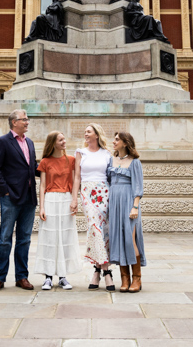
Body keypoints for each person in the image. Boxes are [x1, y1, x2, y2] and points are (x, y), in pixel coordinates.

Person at [0, 109, 38, 292]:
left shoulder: (30, 143)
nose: (27, 122)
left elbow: (32, 167)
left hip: (29, 197)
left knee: (24, 239)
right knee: (5, 239)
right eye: (24, 119)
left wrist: (56, 167)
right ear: (14, 122)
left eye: (27, 119)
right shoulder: (3, 142)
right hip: (10, 198)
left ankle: (22, 277)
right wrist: (5, 193)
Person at [33, 131, 82, 290]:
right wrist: (41, 207)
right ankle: (48, 277)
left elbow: (76, 180)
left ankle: (62, 276)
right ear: (53, 143)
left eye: (64, 139)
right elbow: (41, 185)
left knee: (65, 237)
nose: (64, 141)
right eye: (61, 140)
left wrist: (75, 199)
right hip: (50, 199)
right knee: (49, 237)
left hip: (66, 199)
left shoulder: (71, 160)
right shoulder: (45, 162)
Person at [71, 123, 115, 291]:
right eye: (85, 132)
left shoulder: (107, 154)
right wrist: (74, 199)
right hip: (87, 193)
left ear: (97, 135)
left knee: (103, 230)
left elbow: (110, 177)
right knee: (94, 227)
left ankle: (96, 270)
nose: (85, 134)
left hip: (104, 192)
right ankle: (107, 271)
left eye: (88, 131)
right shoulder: (80, 153)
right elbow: (77, 178)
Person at [107, 132, 146, 293]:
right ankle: (125, 277)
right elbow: (108, 181)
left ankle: (137, 277)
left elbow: (138, 185)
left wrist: (135, 206)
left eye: (117, 139)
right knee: (118, 239)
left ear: (125, 142)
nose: (114, 141)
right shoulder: (111, 159)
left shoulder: (134, 162)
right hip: (114, 202)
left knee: (130, 240)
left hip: (129, 202)